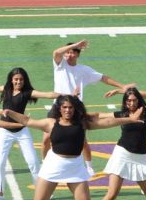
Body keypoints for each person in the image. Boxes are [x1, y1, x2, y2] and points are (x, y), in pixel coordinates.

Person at [3, 95, 142, 200]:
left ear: (75, 109)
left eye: (70, 107)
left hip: (75, 167)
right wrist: (10, 112)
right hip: (53, 165)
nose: (67, 110)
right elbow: (28, 121)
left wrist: (129, 119)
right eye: (64, 107)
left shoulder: (82, 124)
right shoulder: (51, 123)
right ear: (59, 109)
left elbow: (107, 122)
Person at [0, 68, 59, 200]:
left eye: (21, 79)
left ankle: (42, 192)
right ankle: (0, 193)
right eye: (16, 79)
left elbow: (48, 95)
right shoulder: (6, 89)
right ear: (11, 80)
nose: (18, 81)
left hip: (22, 131)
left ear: (24, 81)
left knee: (33, 162)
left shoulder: (27, 92)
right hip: (5, 130)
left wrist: (68, 95)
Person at [46, 40, 132, 169]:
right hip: (57, 107)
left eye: (73, 53)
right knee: (46, 139)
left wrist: (122, 86)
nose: (69, 55)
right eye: (67, 52)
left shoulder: (84, 70)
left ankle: (89, 166)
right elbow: (56, 52)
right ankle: (45, 163)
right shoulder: (60, 65)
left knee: (81, 139)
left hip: (75, 108)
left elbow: (103, 78)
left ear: (78, 55)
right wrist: (75, 45)